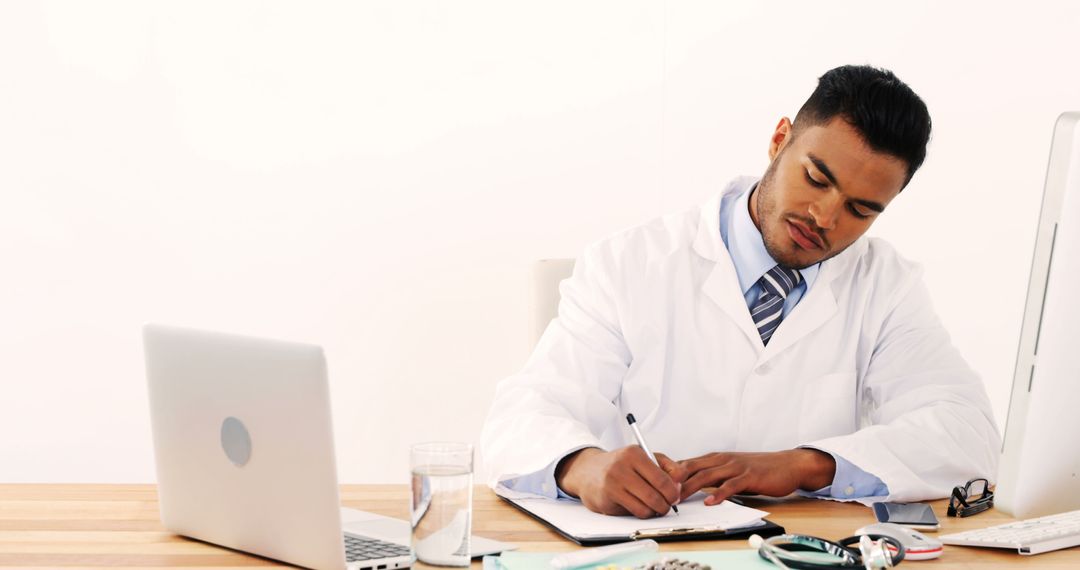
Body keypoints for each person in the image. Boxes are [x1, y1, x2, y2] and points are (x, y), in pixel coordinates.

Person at [479, 65, 1000, 519]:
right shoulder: (628, 263)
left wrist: (804, 464)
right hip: (651, 549)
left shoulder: (886, 284)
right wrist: (583, 467)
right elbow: (519, 421)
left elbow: (968, 435)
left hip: (798, 549)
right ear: (779, 140)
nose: (825, 217)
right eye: (816, 178)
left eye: (860, 210)